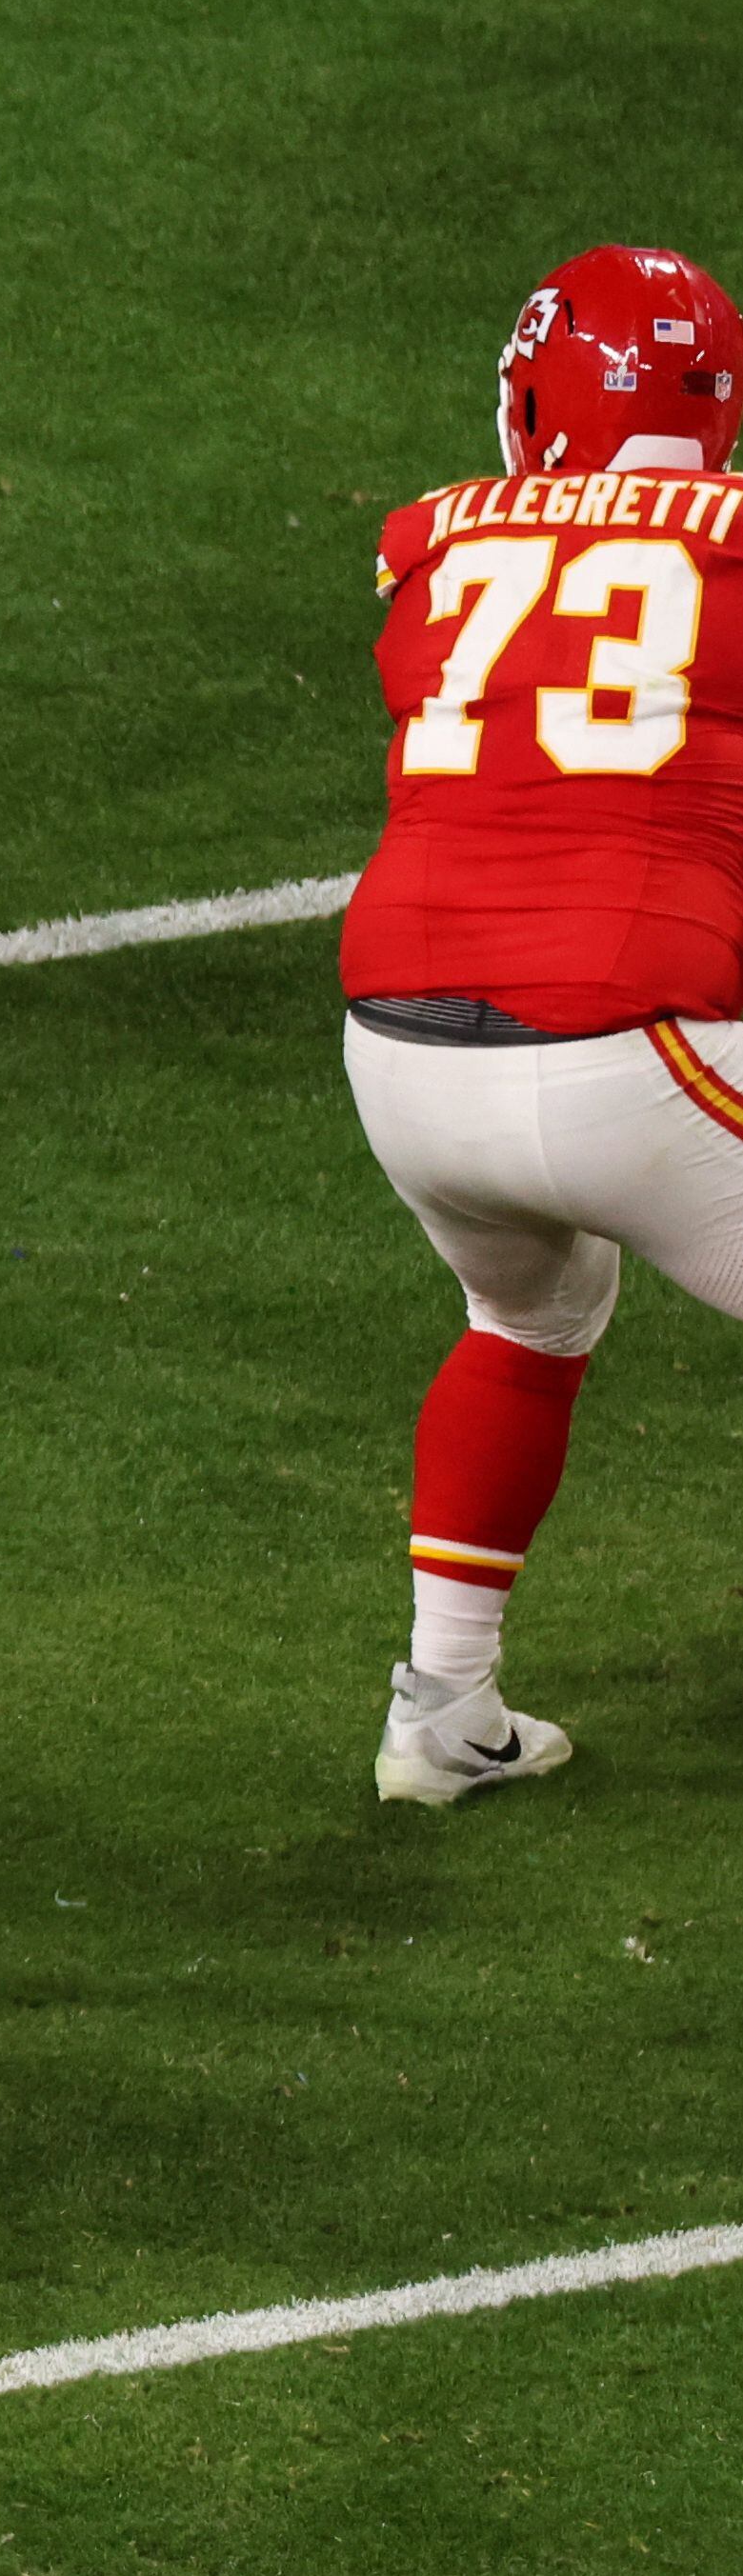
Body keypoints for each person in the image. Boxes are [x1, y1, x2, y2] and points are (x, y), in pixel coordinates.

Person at [338, 244, 743, 1803]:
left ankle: (441, 1713)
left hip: (398, 1050)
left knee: (523, 1320)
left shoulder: (420, 538)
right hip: (614, 1049)